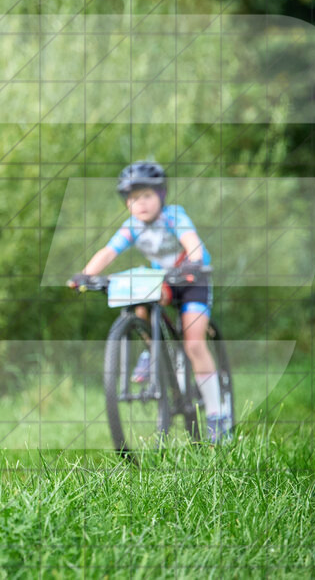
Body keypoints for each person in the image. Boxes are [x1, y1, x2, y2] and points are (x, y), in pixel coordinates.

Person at [70, 161, 232, 443]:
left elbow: (191, 240)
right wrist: (85, 275)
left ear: (161, 195)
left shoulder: (173, 216)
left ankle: (218, 416)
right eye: (133, 198)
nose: (140, 204)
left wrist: (194, 261)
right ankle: (151, 349)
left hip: (194, 279)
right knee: (136, 295)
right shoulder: (132, 227)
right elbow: (108, 252)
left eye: (146, 195)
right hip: (166, 281)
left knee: (194, 344)